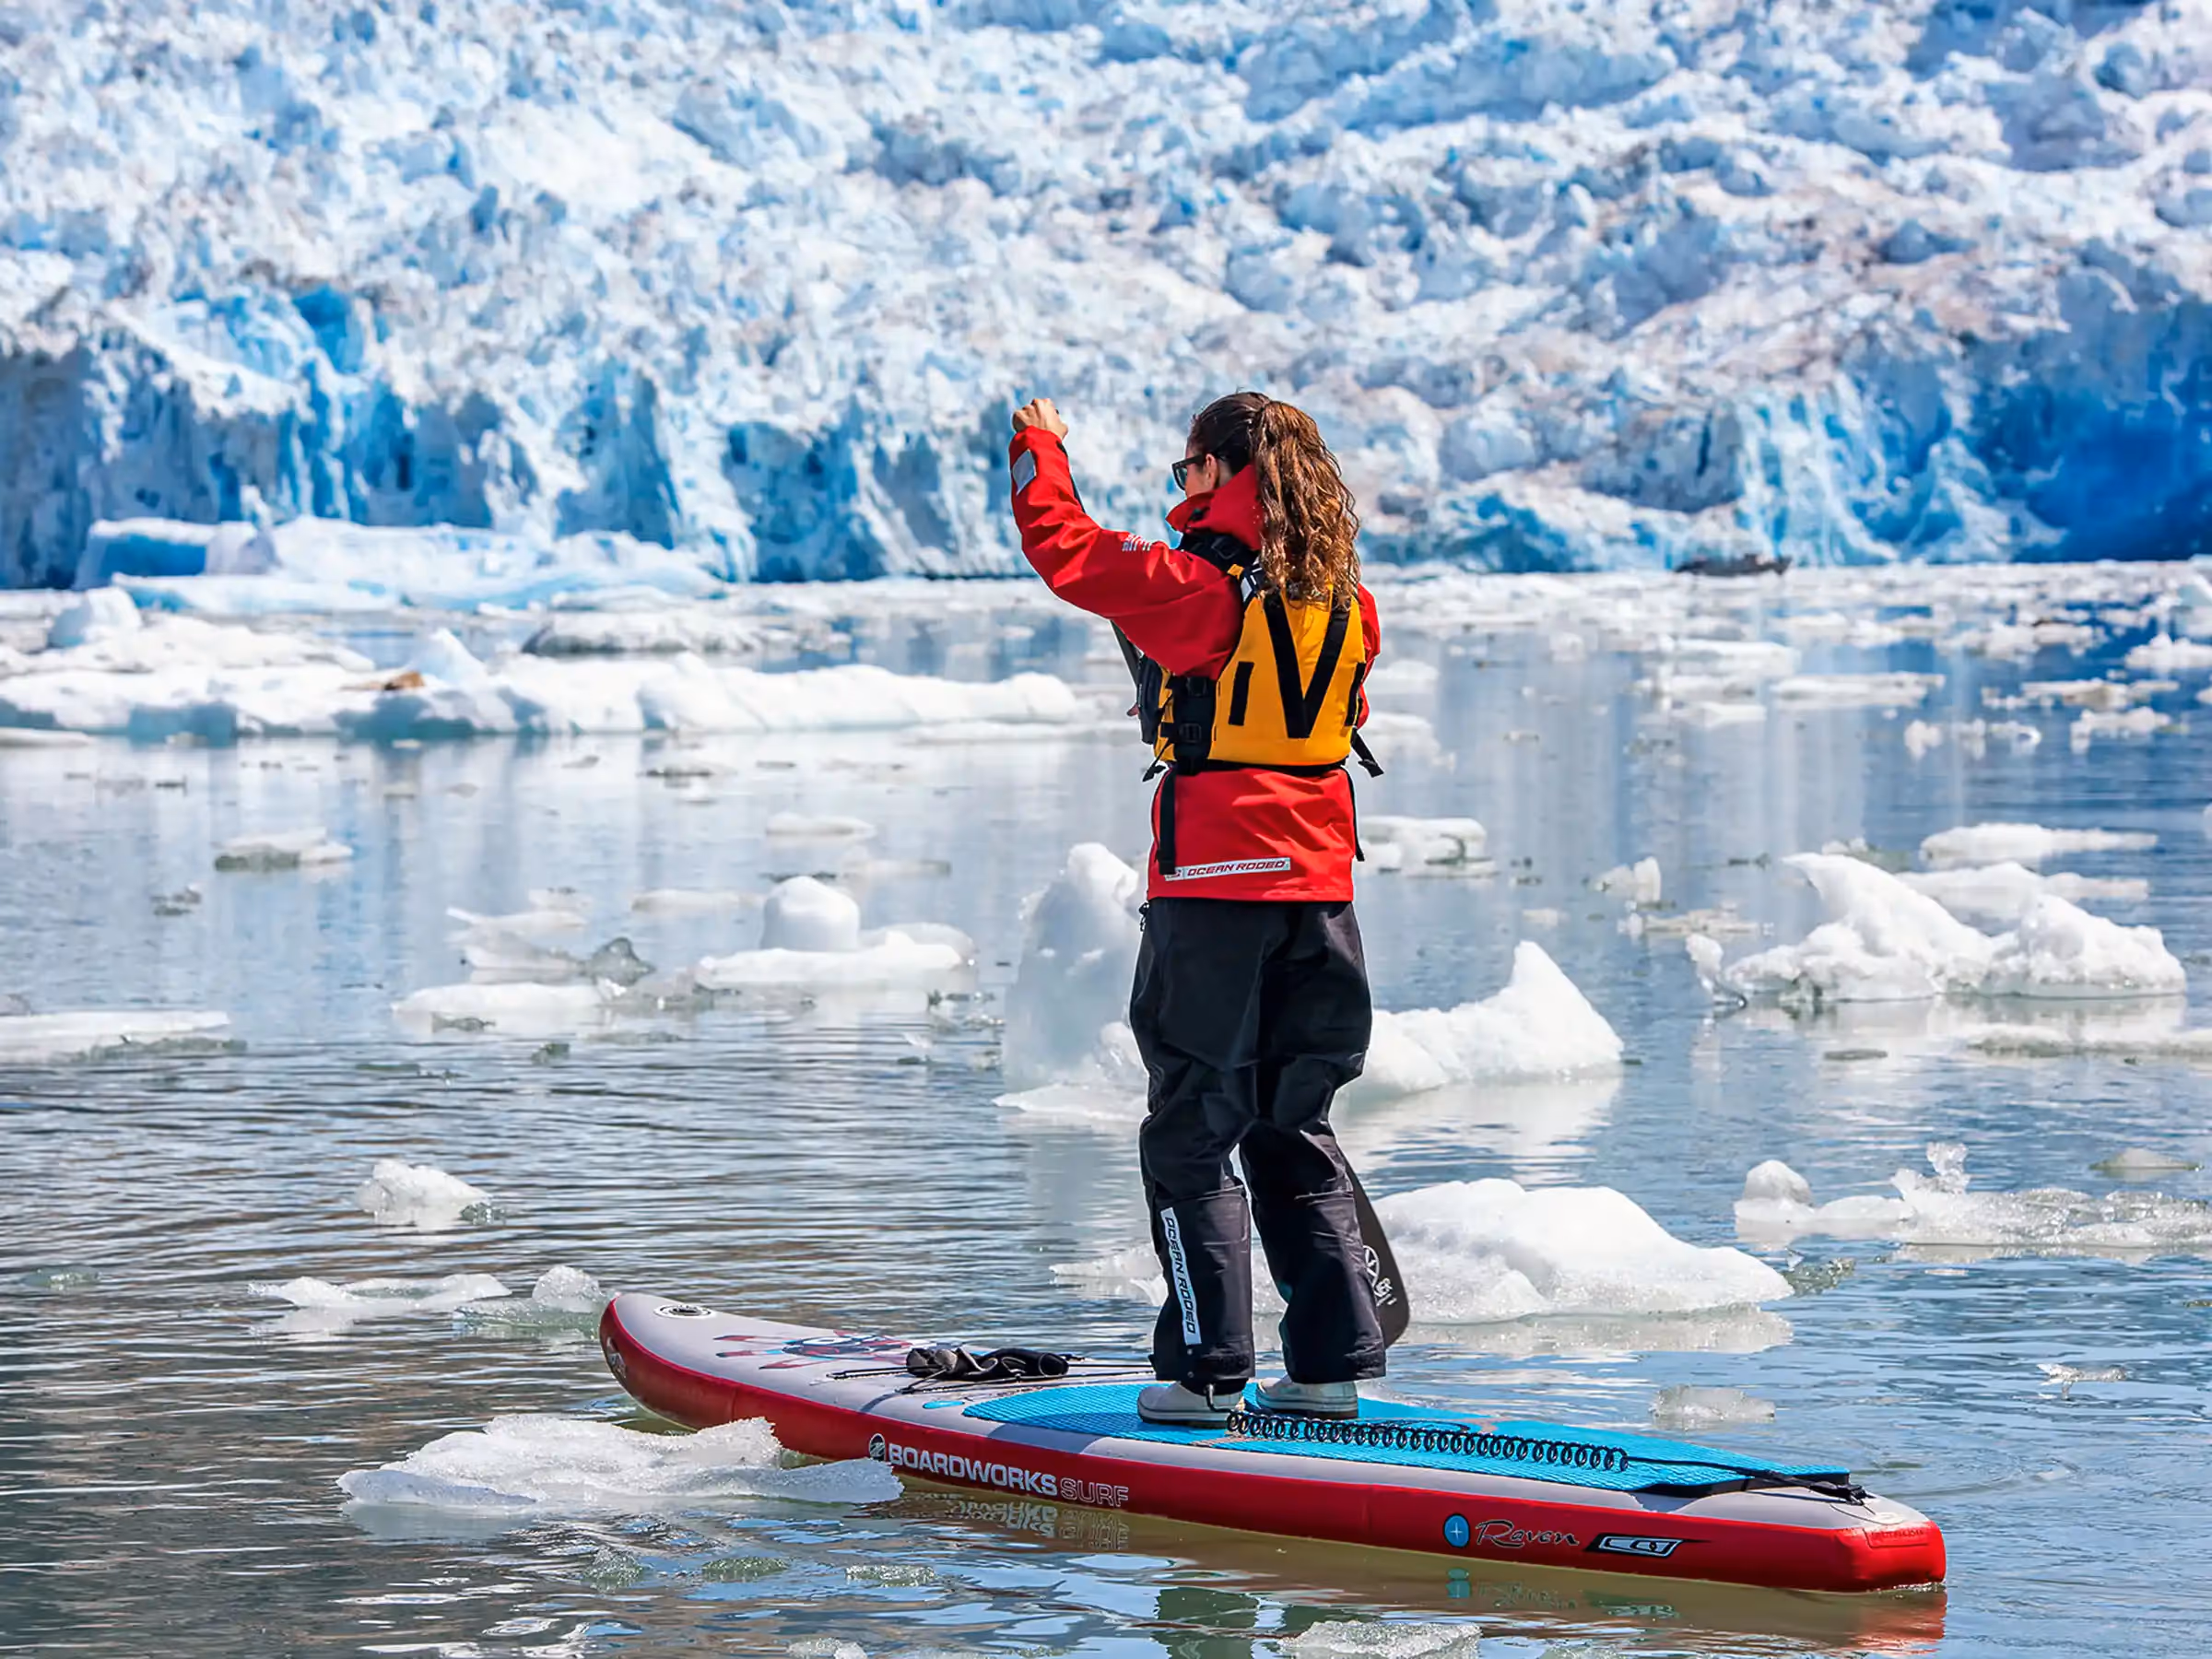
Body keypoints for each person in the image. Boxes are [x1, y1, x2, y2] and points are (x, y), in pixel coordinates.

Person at [1006, 390, 1387, 1426]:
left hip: (1217, 895)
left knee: (1190, 1132)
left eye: (1187, 474)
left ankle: (1206, 1375)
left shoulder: (1196, 586)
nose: (1182, 492)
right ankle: (1330, 1370)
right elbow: (1329, 712)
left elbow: (1066, 547)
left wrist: (1042, 444)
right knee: (1292, 1126)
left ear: (1222, 473)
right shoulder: (1346, 598)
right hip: (1324, 900)